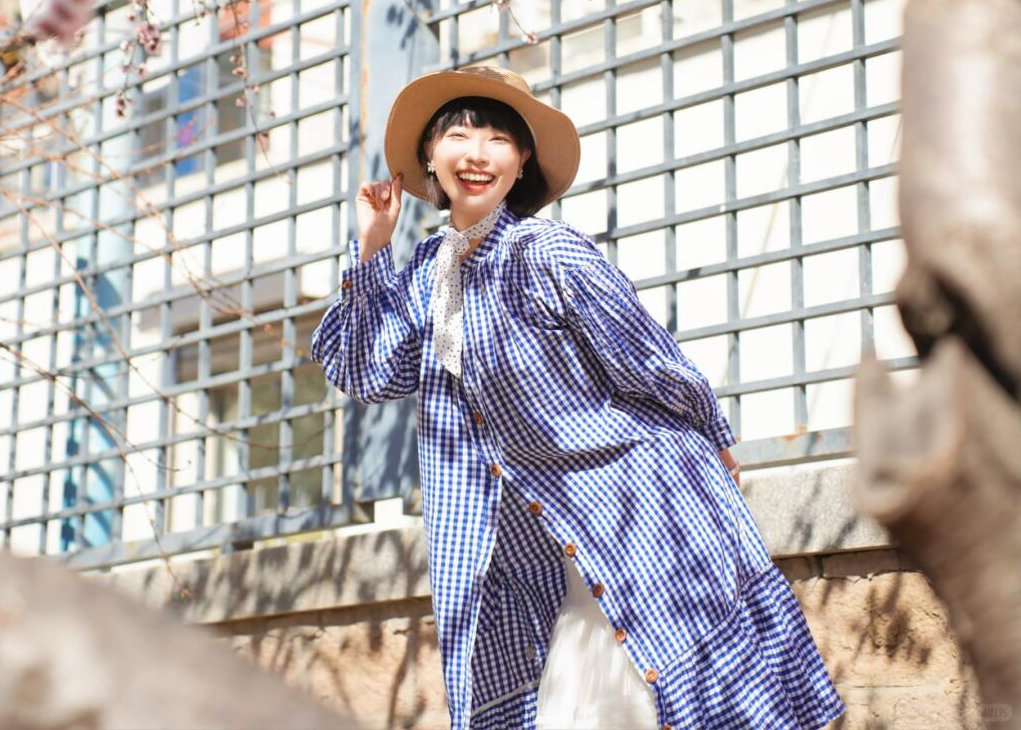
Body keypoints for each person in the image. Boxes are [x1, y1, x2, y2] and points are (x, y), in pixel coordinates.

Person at [311, 63, 845, 730]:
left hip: (632, 512)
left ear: (522, 162)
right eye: (458, 135)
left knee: (645, 700)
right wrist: (371, 249)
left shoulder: (548, 252)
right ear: (429, 155)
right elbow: (366, 372)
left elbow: (644, 356)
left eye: (498, 139)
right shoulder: (423, 273)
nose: (477, 154)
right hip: (528, 545)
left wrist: (712, 435)